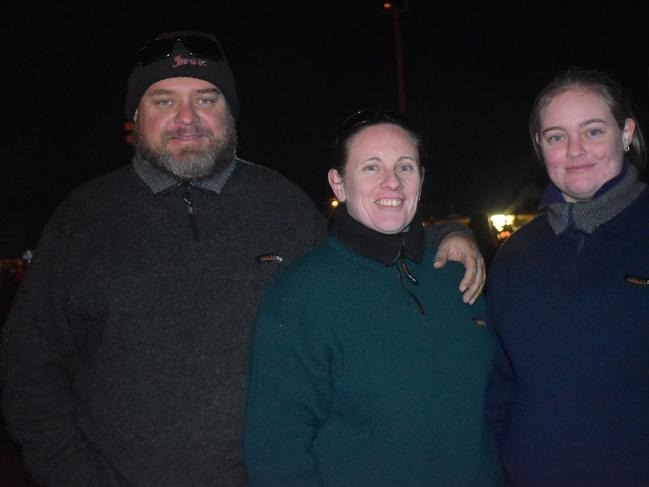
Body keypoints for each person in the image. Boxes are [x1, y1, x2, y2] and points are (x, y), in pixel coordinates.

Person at [1, 32, 485, 486]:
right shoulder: (82, 220)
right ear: (135, 116)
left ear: (230, 114)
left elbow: (362, 259)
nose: (187, 117)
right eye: (164, 100)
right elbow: (29, 369)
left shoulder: (281, 204)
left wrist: (446, 233)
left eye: (206, 100)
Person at [243, 109, 503, 486]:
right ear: (338, 183)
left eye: (405, 167)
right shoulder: (301, 296)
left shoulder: (458, 275)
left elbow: (488, 407)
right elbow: (275, 450)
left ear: (421, 178)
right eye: (370, 168)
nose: (392, 183)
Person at [485, 67, 649, 486]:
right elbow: (501, 384)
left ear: (626, 133)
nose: (575, 151)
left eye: (593, 131)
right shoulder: (517, 253)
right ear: (540, 146)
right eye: (557, 137)